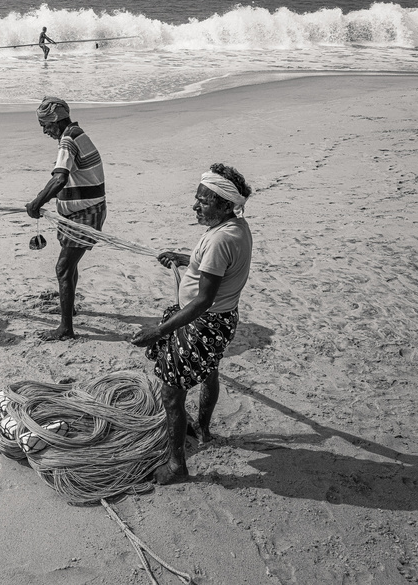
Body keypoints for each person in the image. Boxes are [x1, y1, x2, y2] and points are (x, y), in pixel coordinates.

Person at [130, 165, 253, 485]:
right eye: (196, 198)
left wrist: (159, 330)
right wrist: (185, 259)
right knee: (209, 369)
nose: (195, 206)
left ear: (226, 204)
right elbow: (214, 269)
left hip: (202, 323)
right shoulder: (237, 227)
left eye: (204, 201)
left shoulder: (219, 241)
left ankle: (176, 466)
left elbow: (203, 302)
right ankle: (204, 429)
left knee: (171, 395)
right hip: (223, 320)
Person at [25, 96, 106, 341]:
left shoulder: (68, 141)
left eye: (46, 125)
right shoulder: (76, 133)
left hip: (85, 215)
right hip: (81, 213)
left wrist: (37, 203)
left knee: (63, 268)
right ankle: (68, 309)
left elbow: (60, 178)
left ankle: (66, 329)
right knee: (69, 266)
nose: (44, 131)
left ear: (57, 121)